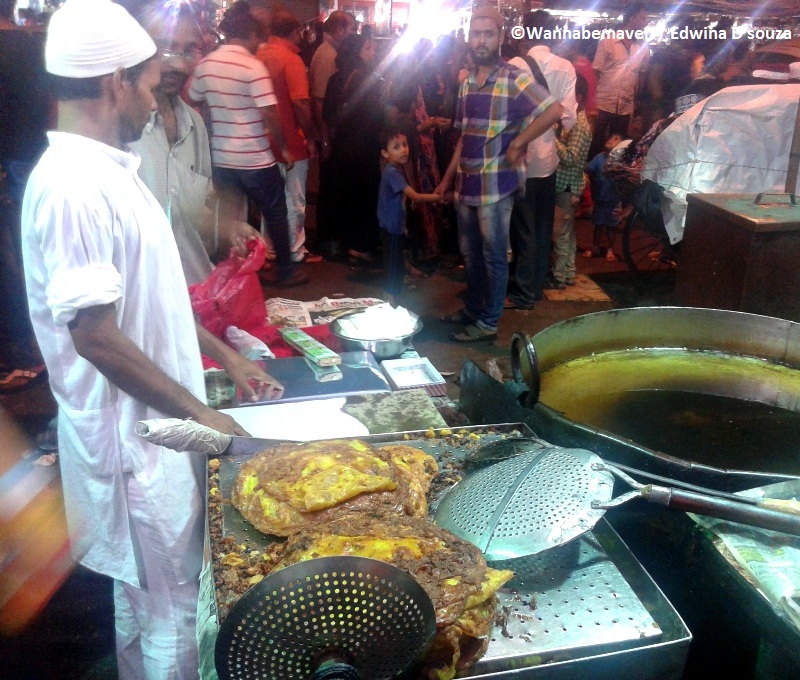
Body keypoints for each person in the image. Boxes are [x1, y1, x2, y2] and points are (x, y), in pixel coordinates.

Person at [20, 1, 282, 677]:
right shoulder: (76, 185)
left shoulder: (110, 169)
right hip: (140, 447)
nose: (156, 94)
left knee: (147, 612)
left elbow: (147, 305)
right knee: (172, 615)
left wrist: (222, 355)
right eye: (145, 81)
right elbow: (97, 336)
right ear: (113, 84)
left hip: (159, 436)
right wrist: (203, 417)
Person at [436, 4, 562, 342]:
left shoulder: (514, 77)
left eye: (488, 34)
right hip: (467, 184)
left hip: (496, 185)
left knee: (493, 255)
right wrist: (448, 180)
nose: (481, 40)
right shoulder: (467, 84)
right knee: (471, 255)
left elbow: (554, 110)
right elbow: (464, 137)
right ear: (469, 38)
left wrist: (520, 141)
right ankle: (473, 310)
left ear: (500, 38)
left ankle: (489, 322)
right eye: (476, 34)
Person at [131, 3, 263, 286]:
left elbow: (194, 210)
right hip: (142, 306)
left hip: (194, 294)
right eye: (165, 49)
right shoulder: (121, 131)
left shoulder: (194, 124)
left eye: (188, 50)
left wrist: (228, 228)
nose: (179, 64)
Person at [189, 0, 307, 288]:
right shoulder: (252, 66)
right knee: (275, 212)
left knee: (225, 216)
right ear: (251, 36)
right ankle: (285, 271)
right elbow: (269, 112)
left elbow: (194, 99)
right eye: (258, 38)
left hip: (222, 159)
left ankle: (222, 270)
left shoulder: (206, 65)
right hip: (255, 159)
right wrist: (285, 148)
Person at [506, 10, 577, 309]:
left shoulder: (512, 66)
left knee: (520, 226)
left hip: (517, 157)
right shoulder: (566, 67)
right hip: (547, 161)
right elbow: (569, 118)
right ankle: (533, 288)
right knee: (542, 225)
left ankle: (521, 292)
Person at [256, 9, 322, 265]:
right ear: (294, 33)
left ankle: (270, 248)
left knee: (270, 200)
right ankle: (294, 250)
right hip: (291, 142)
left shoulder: (258, 57)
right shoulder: (291, 60)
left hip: (262, 140)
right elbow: (301, 104)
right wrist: (311, 137)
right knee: (294, 199)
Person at [377, 127, 441, 306]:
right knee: (393, 268)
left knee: (395, 264)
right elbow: (416, 196)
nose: (403, 149)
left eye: (404, 145)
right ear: (385, 153)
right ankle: (389, 302)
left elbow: (402, 198)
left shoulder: (396, 169)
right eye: (396, 147)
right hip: (390, 226)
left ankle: (392, 300)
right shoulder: (391, 171)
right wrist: (441, 197)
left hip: (393, 224)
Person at [589, 3, 650, 160]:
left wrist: (635, 103)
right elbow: (596, 71)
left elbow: (641, 77)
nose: (645, 22)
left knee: (618, 148)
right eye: (643, 19)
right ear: (632, 18)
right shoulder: (608, 42)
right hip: (603, 103)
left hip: (625, 106)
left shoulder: (643, 48)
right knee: (595, 144)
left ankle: (611, 180)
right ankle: (590, 179)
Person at [549, 74, 592, 288]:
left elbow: (570, 158)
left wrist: (551, 137)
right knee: (567, 232)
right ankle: (568, 272)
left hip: (566, 187)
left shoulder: (579, 127)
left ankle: (559, 276)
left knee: (560, 234)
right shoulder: (573, 122)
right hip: (569, 186)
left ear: (579, 97)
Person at [585, 133, 624, 260]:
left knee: (612, 226)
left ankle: (610, 249)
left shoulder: (621, 161)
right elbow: (588, 169)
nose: (611, 139)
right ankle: (595, 247)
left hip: (614, 200)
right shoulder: (599, 157)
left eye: (616, 139)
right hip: (600, 198)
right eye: (611, 137)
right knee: (598, 225)